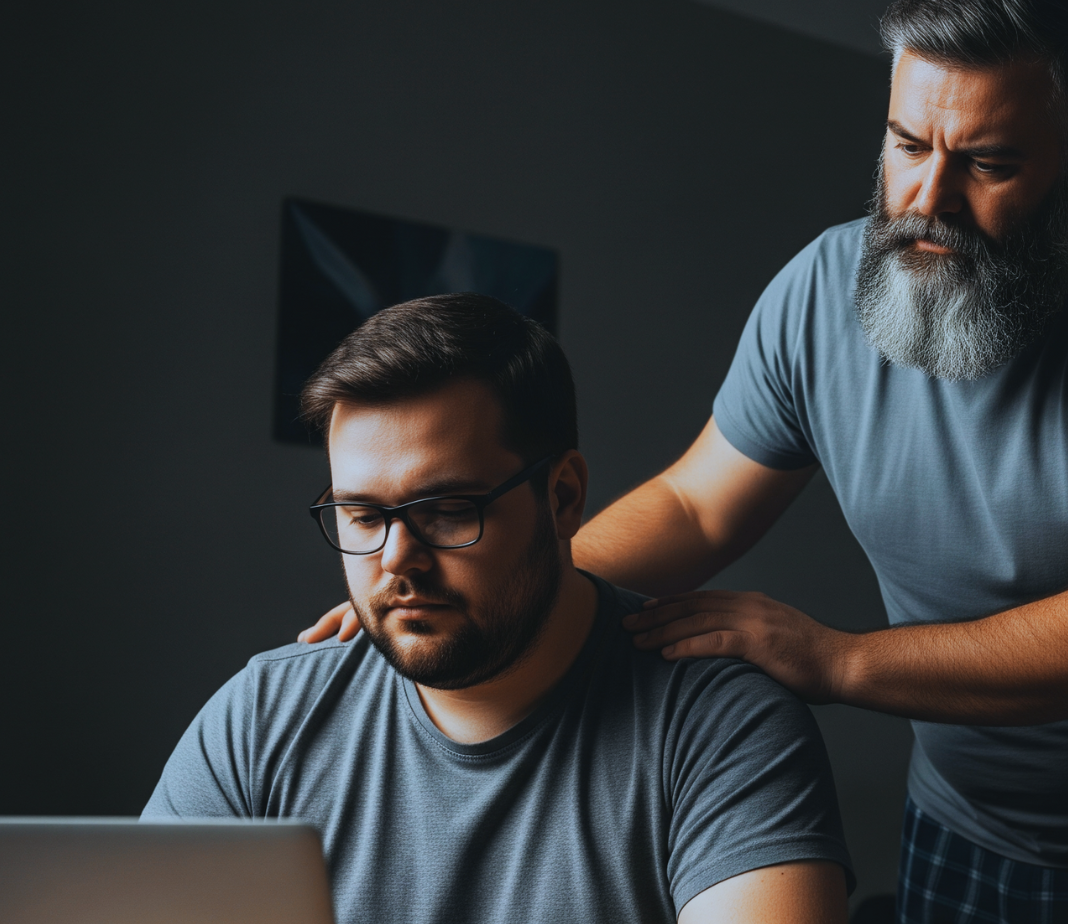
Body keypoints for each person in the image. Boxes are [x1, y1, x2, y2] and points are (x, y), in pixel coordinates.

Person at [305, 2, 1068, 920]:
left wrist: (838, 662)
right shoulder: (817, 293)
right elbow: (697, 509)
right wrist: (484, 581)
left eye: (987, 164)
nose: (928, 197)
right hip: (969, 826)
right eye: (907, 144)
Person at [149, 295, 853, 923]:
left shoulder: (722, 727)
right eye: (363, 516)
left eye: (448, 510)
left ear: (563, 498)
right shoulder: (262, 720)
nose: (397, 560)